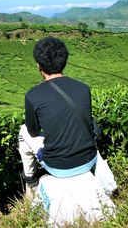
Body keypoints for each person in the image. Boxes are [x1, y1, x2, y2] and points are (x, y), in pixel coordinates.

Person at [18, 37, 98, 199]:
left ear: (39, 65)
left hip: (57, 167)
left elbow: (33, 132)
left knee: (23, 132)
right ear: (64, 61)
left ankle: (31, 182)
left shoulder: (33, 95)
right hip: (89, 160)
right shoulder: (83, 88)